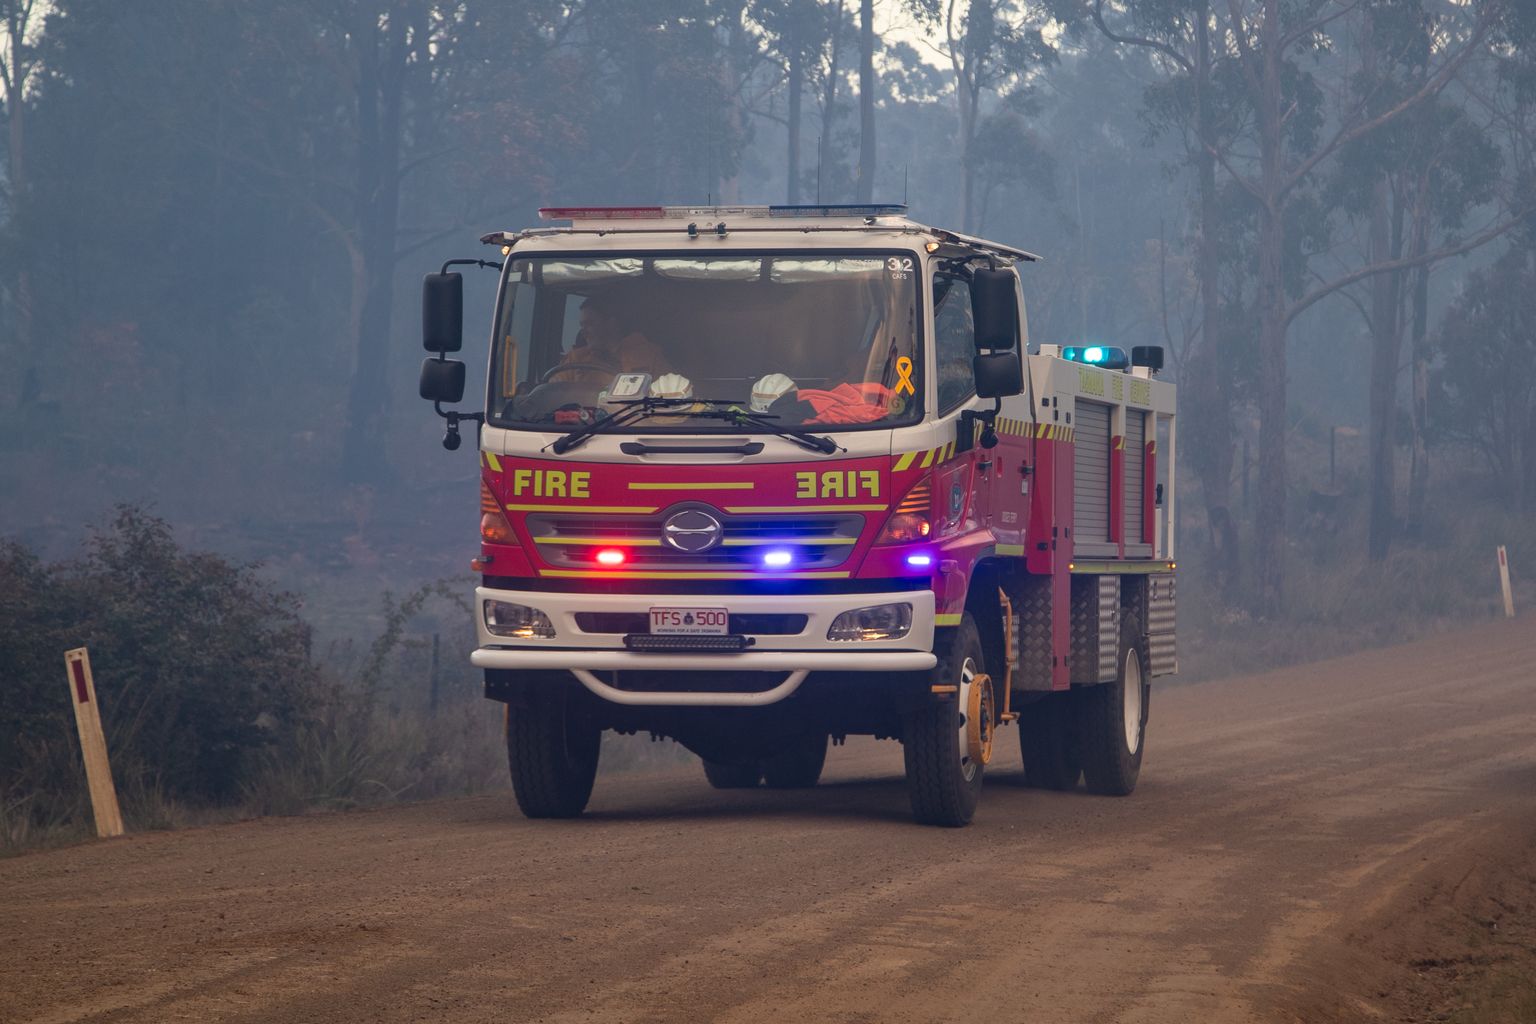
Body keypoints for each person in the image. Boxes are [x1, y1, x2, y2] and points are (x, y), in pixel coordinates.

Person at [548, 297, 667, 383]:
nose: (583, 332)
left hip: (636, 418)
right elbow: (552, 393)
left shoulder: (649, 355)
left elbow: (669, 393)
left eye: (589, 324)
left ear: (611, 323)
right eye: (582, 326)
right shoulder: (575, 360)